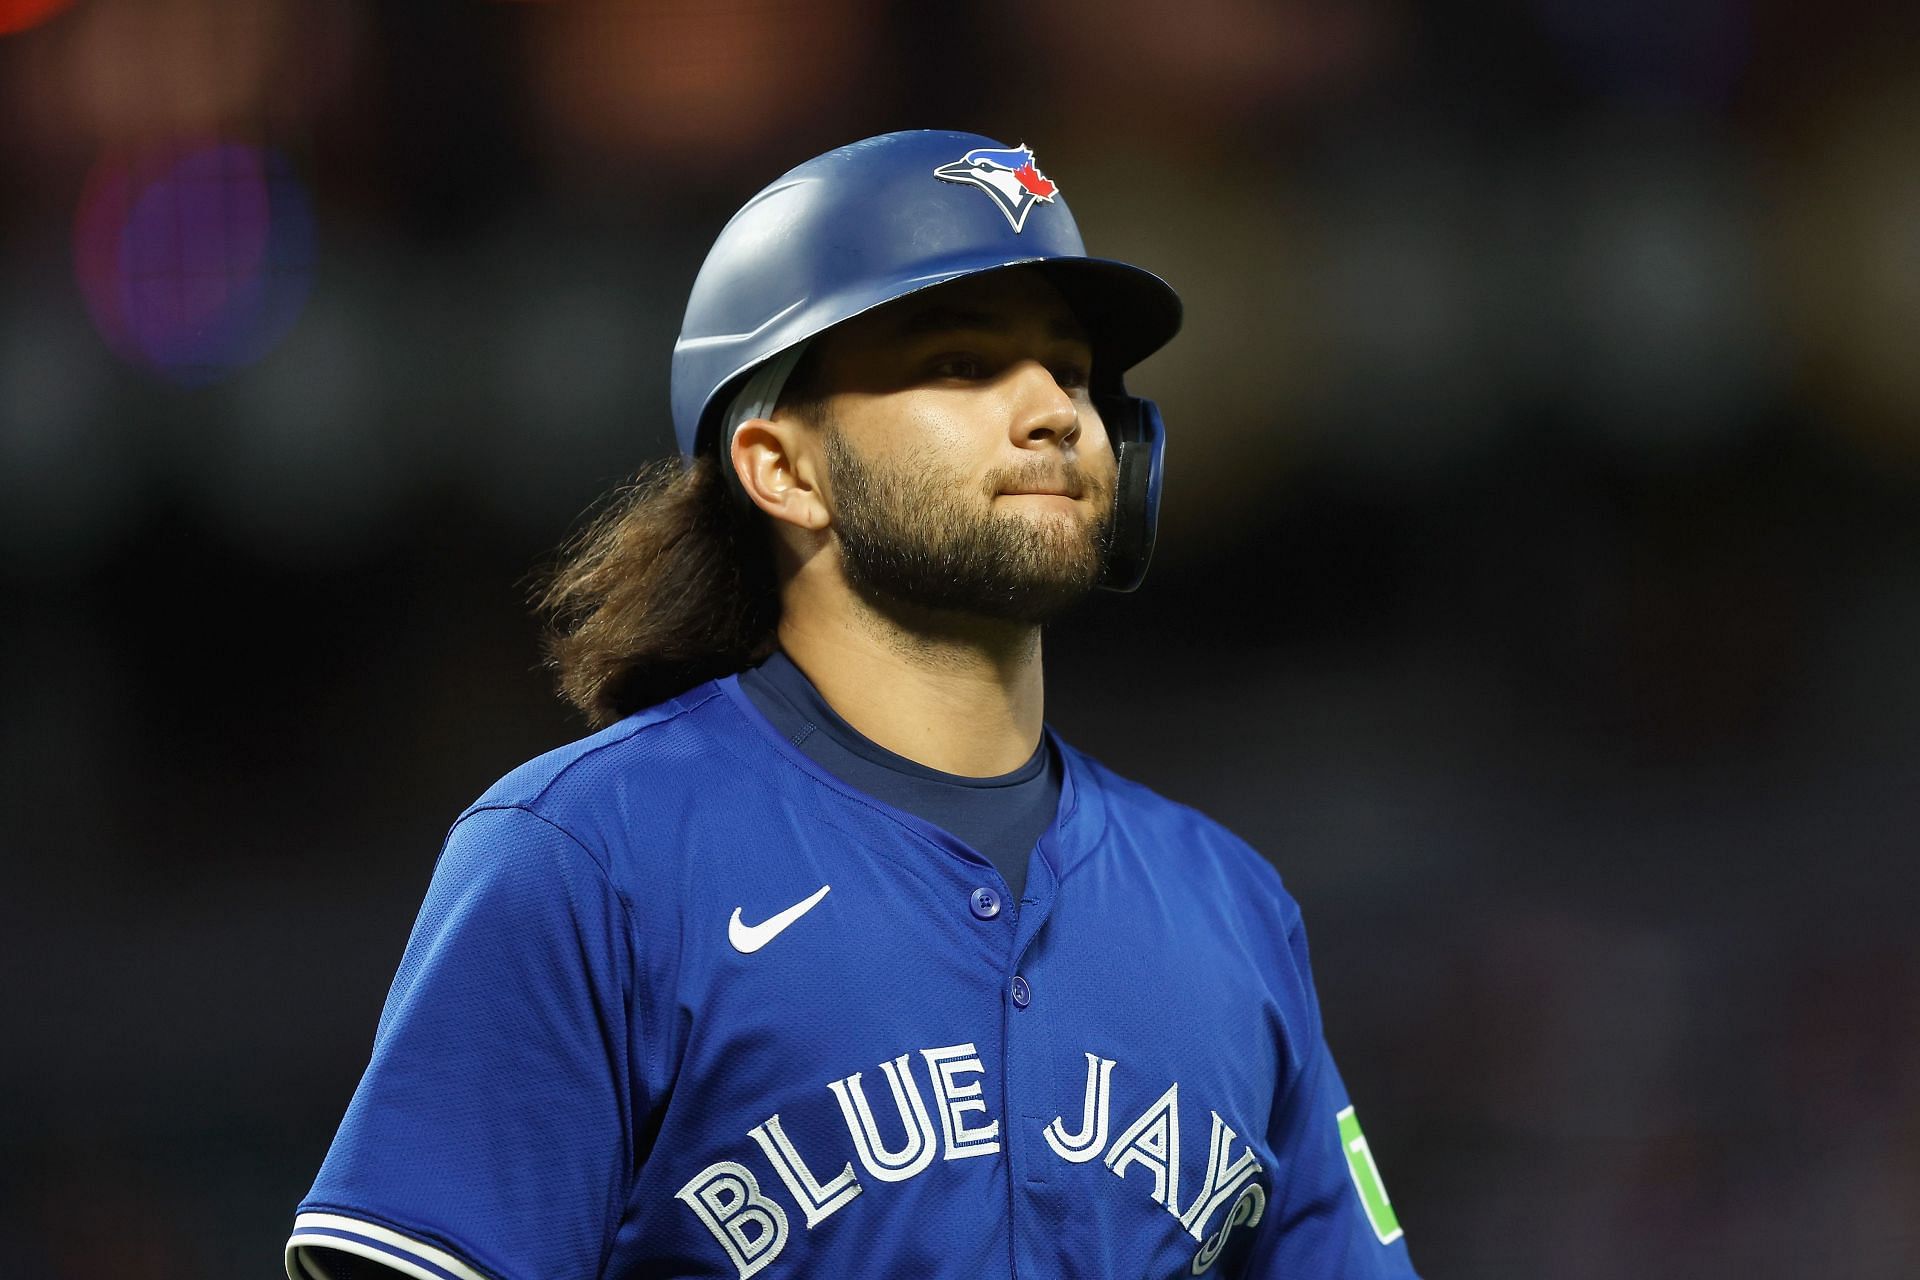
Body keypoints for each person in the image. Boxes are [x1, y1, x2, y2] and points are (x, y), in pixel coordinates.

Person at [284, 130, 1419, 1280]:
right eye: (964, 364)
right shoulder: (589, 857)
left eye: (1072, 373)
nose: (1055, 413)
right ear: (781, 466)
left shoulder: (1226, 901)